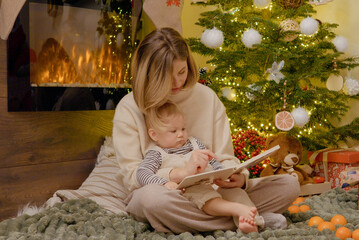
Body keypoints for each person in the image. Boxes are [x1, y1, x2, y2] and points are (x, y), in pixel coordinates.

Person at [112, 27, 300, 233]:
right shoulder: (129, 107)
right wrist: (180, 174)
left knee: (289, 185)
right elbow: (133, 178)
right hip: (166, 194)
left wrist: (239, 178)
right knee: (152, 201)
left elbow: (225, 157)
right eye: (167, 76)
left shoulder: (207, 97)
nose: (177, 82)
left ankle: (224, 216)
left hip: (214, 191)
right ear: (150, 74)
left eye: (181, 72)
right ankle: (250, 218)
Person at [140, 101, 260, 233]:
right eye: (173, 131)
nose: (180, 134)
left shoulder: (195, 143)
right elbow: (142, 173)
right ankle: (236, 209)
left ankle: (252, 223)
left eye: (183, 129)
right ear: (154, 134)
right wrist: (165, 183)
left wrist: (221, 173)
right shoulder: (156, 154)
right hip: (191, 191)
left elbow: (213, 161)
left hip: (212, 184)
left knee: (237, 192)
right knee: (204, 195)